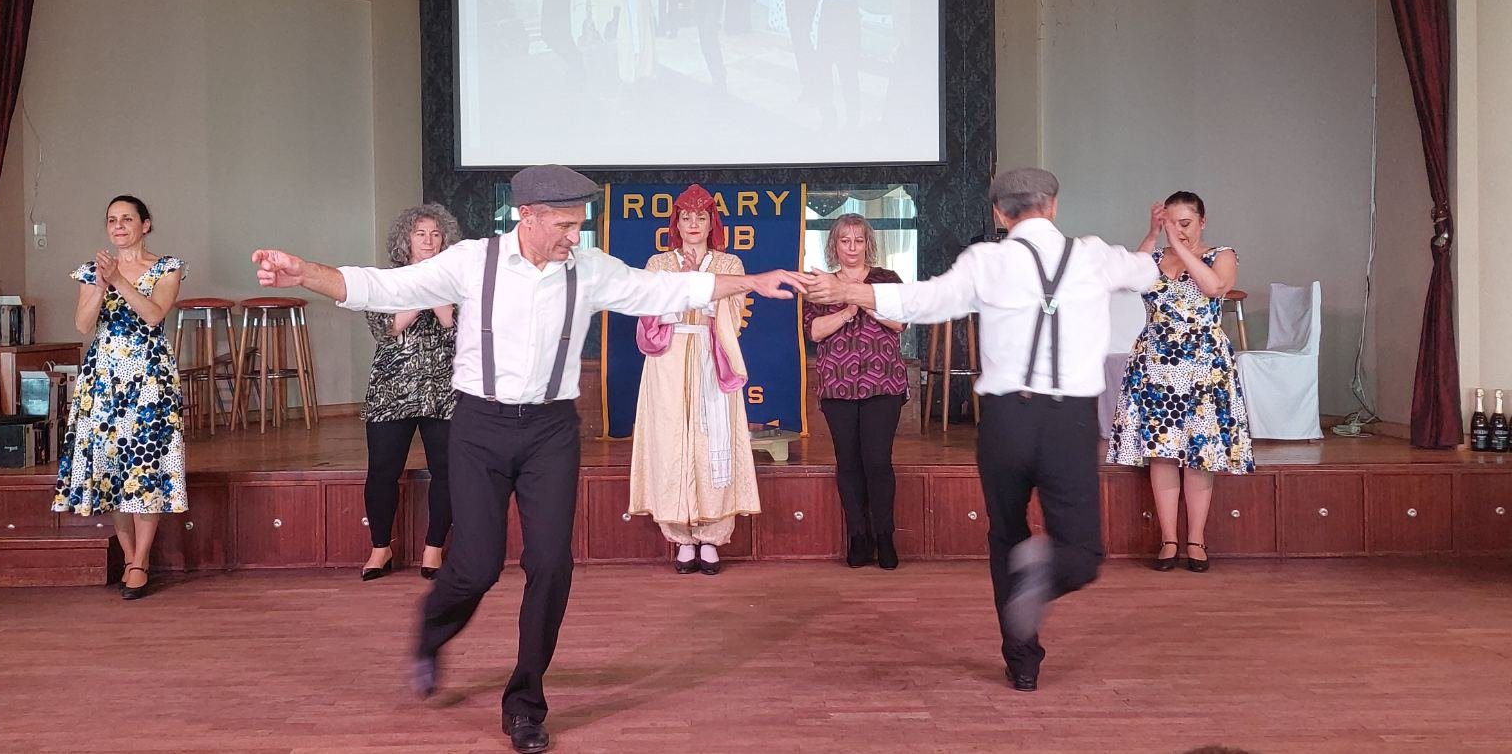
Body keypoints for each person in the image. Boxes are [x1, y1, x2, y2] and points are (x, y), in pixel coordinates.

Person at [250, 165, 800, 754]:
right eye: (564, 225)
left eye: (578, 225)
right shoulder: (472, 262)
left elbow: (664, 290)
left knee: (552, 565)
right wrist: (305, 273)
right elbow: (385, 288)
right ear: (528, 216)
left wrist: (751, 280)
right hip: (478, 427)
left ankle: (525, 704)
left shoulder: (588, 269)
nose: (573, 236)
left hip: (550, 432)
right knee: (477, 567)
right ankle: (431, 633)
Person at [796, 168, 1158, 693]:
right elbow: (1148, 270)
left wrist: (847, 290)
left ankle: (1022, 660)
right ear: (1053, 206)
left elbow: (924, 301)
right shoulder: (1094, 256)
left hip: (1005, 421)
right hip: (1070, 420)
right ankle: (1042, 582)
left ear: (999, 213)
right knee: (1082, 556)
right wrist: (1165, 240)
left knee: (1007, 536)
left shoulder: (986, 261)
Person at [1108, 192, 1253, 572]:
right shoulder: (1155, 257)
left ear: (1202, 222)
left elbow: (1215, 287)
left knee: (1199, 452)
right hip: (1156, 362)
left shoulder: (1221, 254)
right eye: (1170, 223)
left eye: (1185, 224)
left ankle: (1196, 540)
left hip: (1203, 364)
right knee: (1162, 452)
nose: (1178, 231)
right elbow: (1129, 277)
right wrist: (1152, 235)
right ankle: (1169, 539)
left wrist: (1181, 248)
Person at [51, 195, 187, 601]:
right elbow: (82, 324)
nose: (119, 226)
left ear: (146, 224)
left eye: (127, 219)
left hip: (149, 375)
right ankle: (129, 558)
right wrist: (99, 283)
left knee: (145, 465)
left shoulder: (167, 267)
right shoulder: (92, 271)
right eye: (112, 220)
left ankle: (142, 560)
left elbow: (154, 314)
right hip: (104, 377)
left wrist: (119, 281)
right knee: (112, 467)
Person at [629, 185, 761, 575]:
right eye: (686, 217)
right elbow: (649, 310)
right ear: (676, 223)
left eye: (700, 217)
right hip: (668, 359)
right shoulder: (658, 263)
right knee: (670, 438)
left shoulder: (730, 264)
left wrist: (698, 288)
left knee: (710, 437)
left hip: (710, 353)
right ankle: (682, 539)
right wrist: (683, 289)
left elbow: (732, 314)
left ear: (711, 223)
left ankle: (711, 537)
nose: (692, 224)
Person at [360, 204, 462, 582]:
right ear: (406, 239)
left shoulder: (458, 280)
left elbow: (460, 326)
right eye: (421, 234)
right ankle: (380, 548)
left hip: (444, 389)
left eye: (435, 234)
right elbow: (384, 328)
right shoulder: (386, 280)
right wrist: (423, 290)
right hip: (391, 388)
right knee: (382, 471)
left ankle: (433, 548)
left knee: (447, 470)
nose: (429, 241)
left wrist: (438, 289)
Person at [802, 213, 908, 569]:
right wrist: (848, 309)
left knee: (877, 461)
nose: (852, 247)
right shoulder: (821, 284)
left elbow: (899, 322)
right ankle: (858, 537)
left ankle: (885, 537)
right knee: (848, 463)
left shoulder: (886, 280)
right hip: (838, 385)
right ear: (834, 245)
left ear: (868, 244)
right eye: (845, 240)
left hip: (884, 384)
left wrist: (862, 298)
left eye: (858, 240)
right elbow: (814, 331)